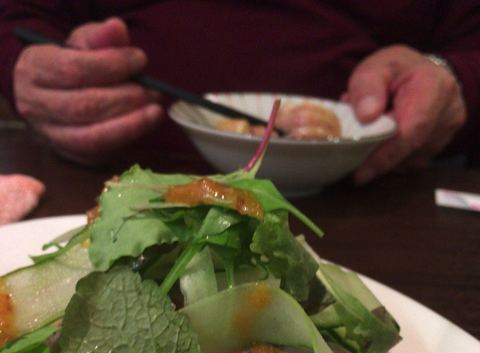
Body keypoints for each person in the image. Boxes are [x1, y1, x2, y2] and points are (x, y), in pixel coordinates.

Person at [0, 1, 478, 184]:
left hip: (379, 196)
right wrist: (26, 66)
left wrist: (453, 79)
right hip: (106, 175)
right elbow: (16, 18)